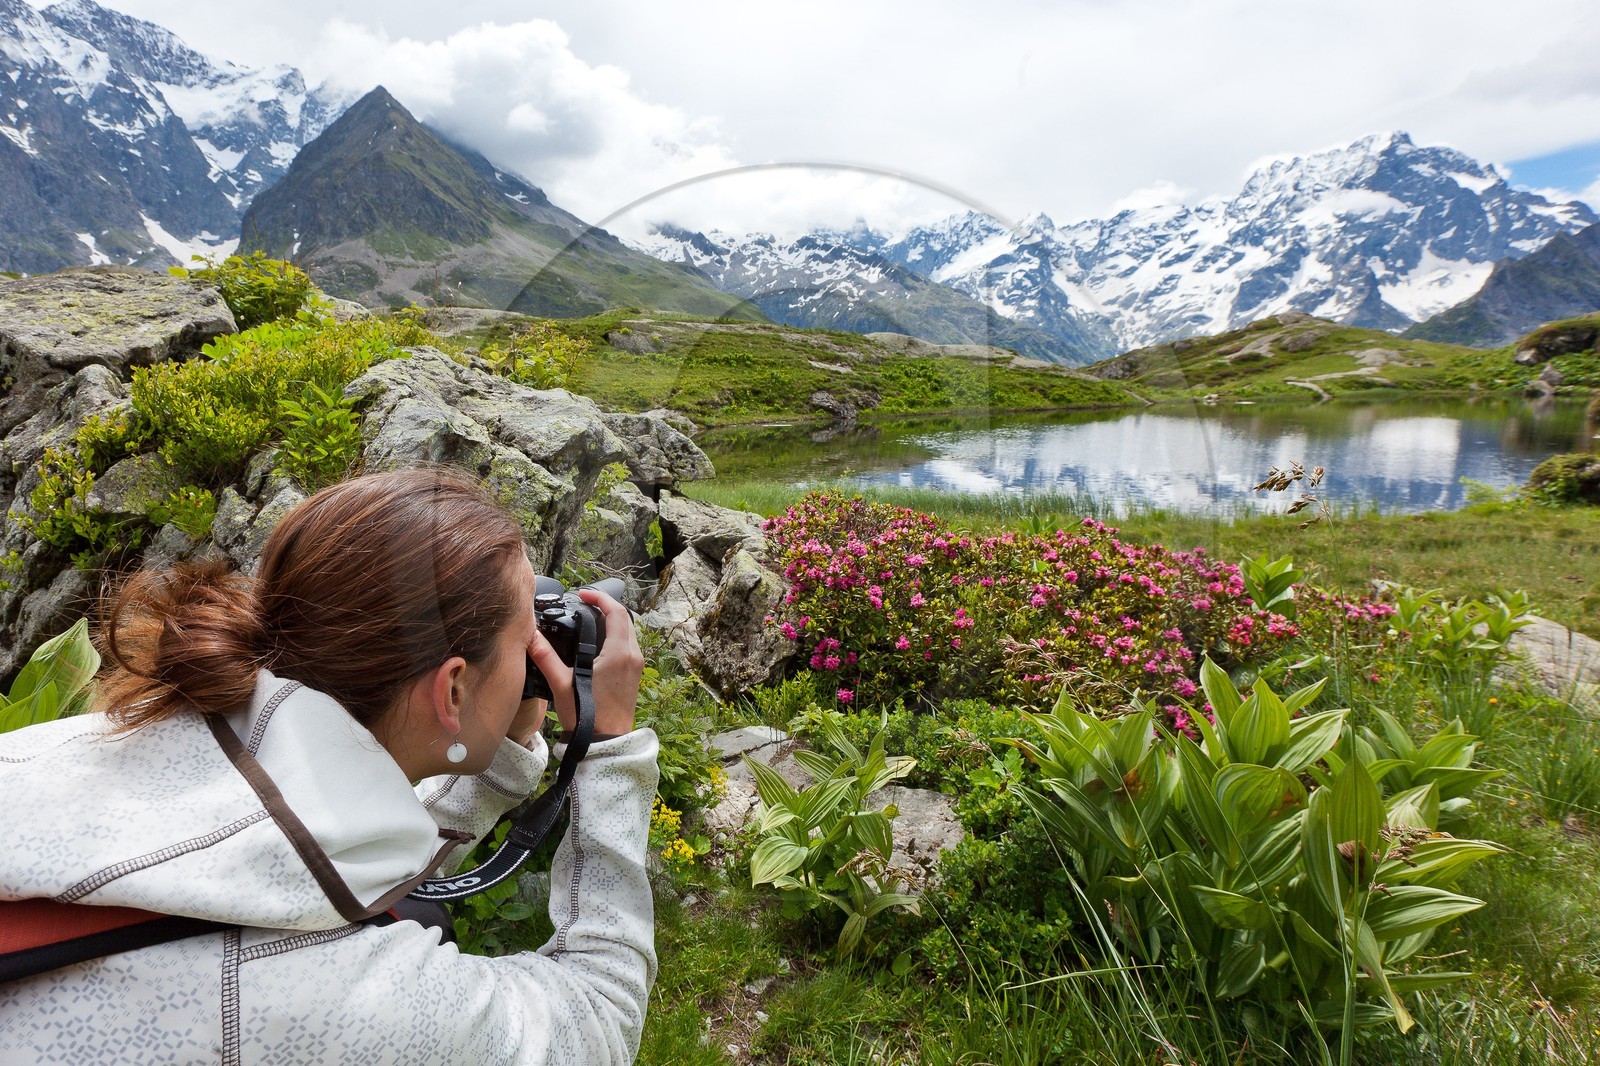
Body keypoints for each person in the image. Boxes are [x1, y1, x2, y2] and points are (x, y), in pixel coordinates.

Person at [0, 468, 658, 1064]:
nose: (535, 659)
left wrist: (498, 749)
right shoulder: (366, 1008)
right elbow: (598, 1018)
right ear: (451, 689)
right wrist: (610, 749)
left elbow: (319, 859)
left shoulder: (123, 740)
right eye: (526, 644)